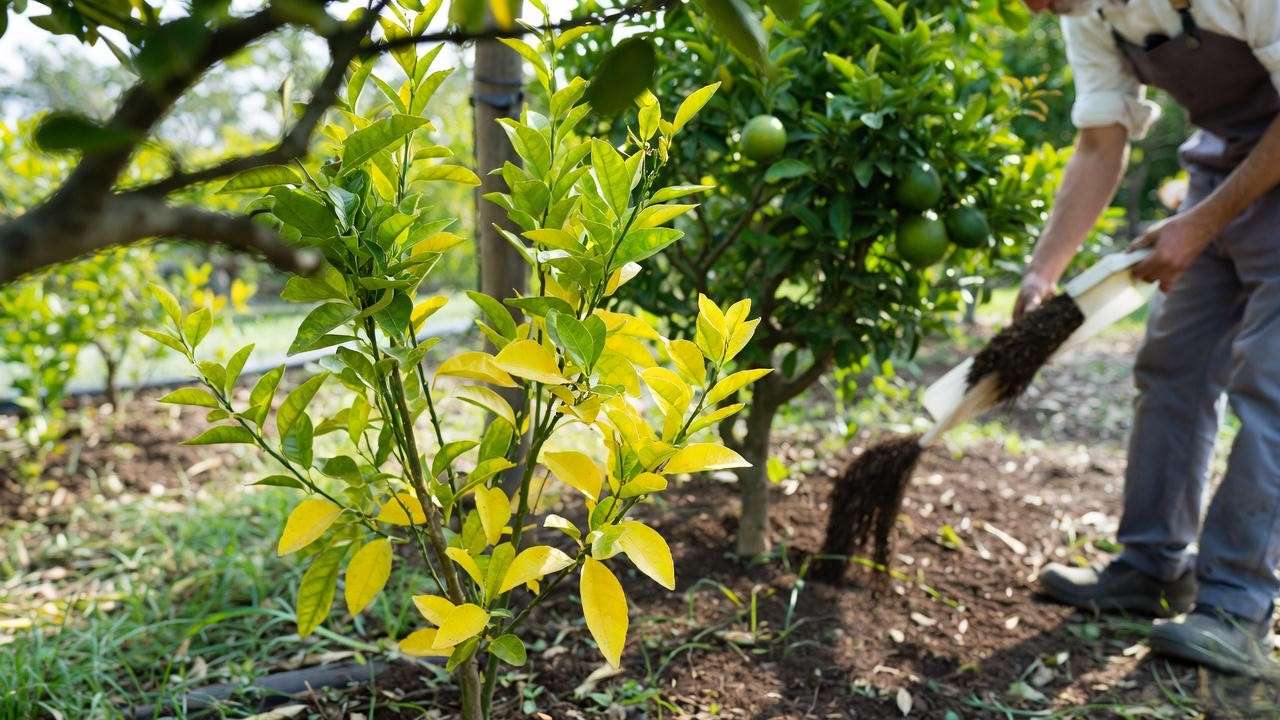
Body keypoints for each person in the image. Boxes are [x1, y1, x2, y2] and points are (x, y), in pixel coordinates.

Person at [1016, 0, 1280, 678]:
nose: (1029, 6)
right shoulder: (1088, 12)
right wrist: (1045, 272)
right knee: (1172, 367)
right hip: (1221, 173)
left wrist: (1198, 225)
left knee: (1271, 390)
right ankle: (1152, 566)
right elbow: (1102, 141)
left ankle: (1234, 606)